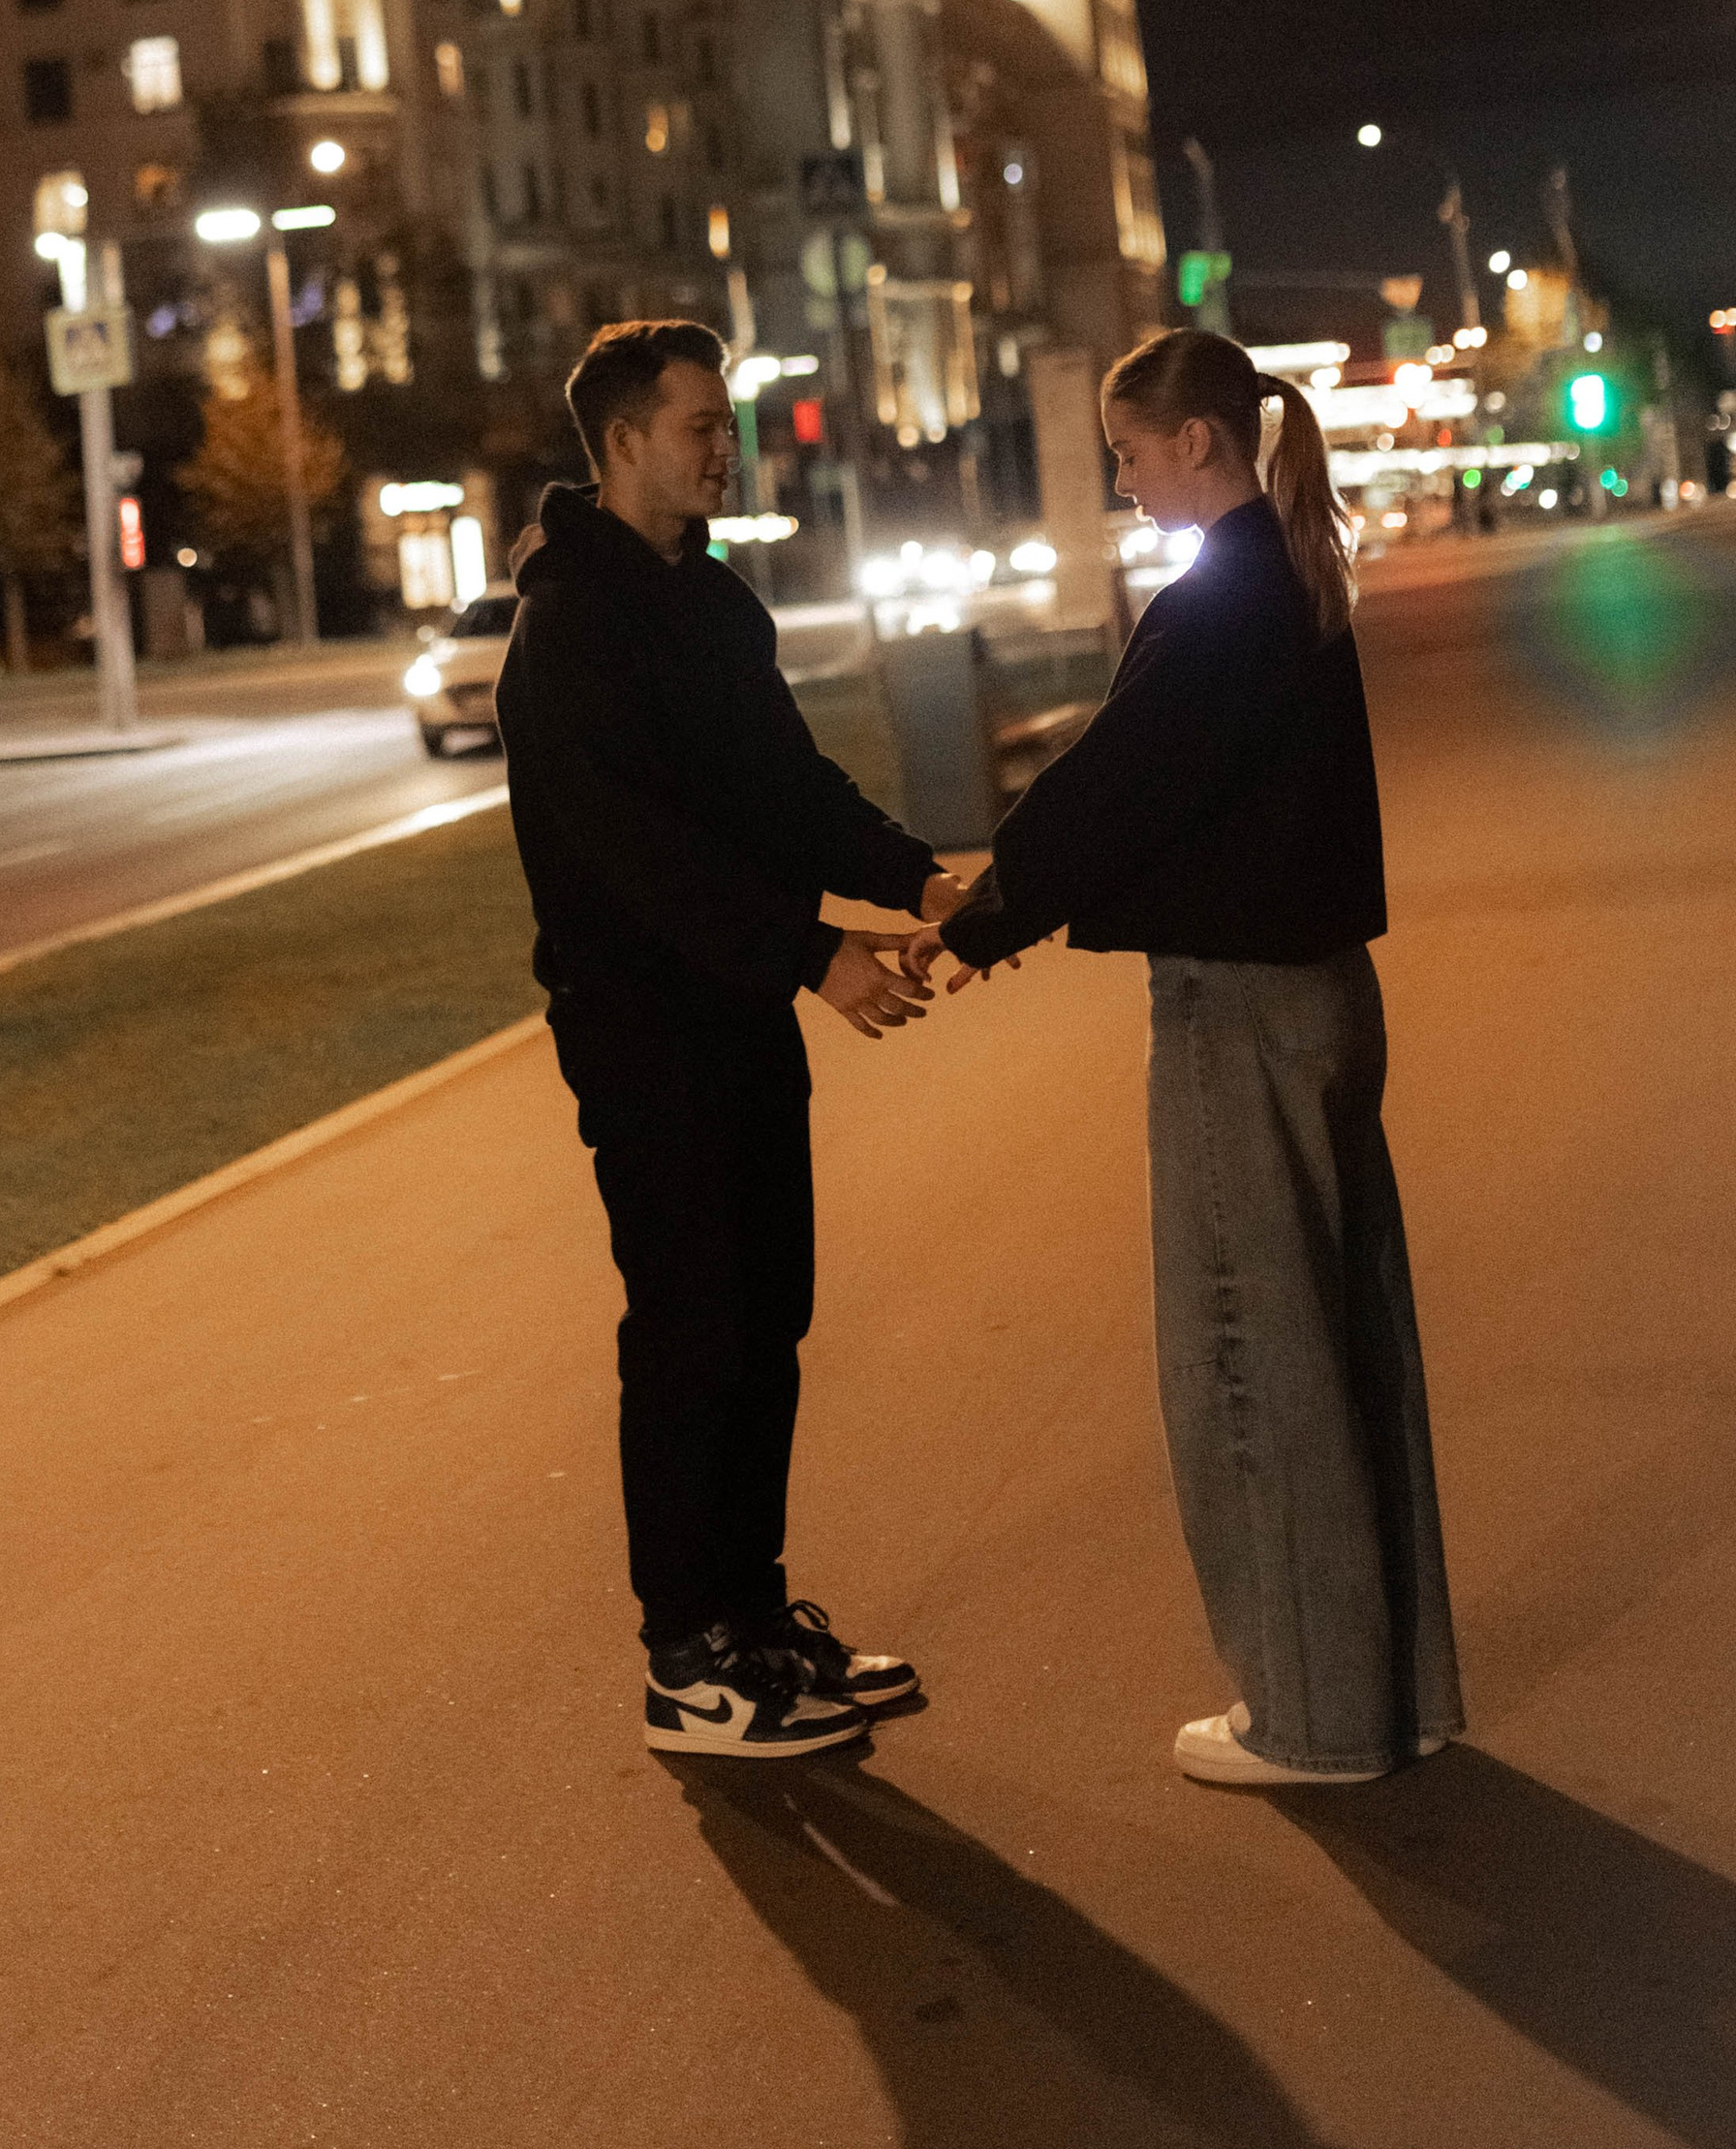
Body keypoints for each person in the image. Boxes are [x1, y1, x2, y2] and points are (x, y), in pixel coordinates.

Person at [909, 327, 1465, 1787]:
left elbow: (1118, 784)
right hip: (1325, 994)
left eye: (1130, 451)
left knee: (1248, 1352)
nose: (1123, 476)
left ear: (1196, 444)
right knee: (1343, 1343)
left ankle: (1309, 1714)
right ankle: (1385, 1691)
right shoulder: (1290, 577)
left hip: (1243, 1009)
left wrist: (983, 918)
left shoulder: (1219, 601)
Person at [496, 319, 966, 1760]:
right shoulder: (568, 631)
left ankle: (754, 1623)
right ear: (623, 439)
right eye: (699, 423)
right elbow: (642, 859)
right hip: (644, 1036)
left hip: (741, 1016)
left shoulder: (709, 603)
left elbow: (783, 789)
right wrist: (813, 955)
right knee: (694, 1327)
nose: (725, 445)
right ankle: (685, 1657)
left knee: (769, 1320)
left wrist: (918, 876)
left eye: (726, 421)